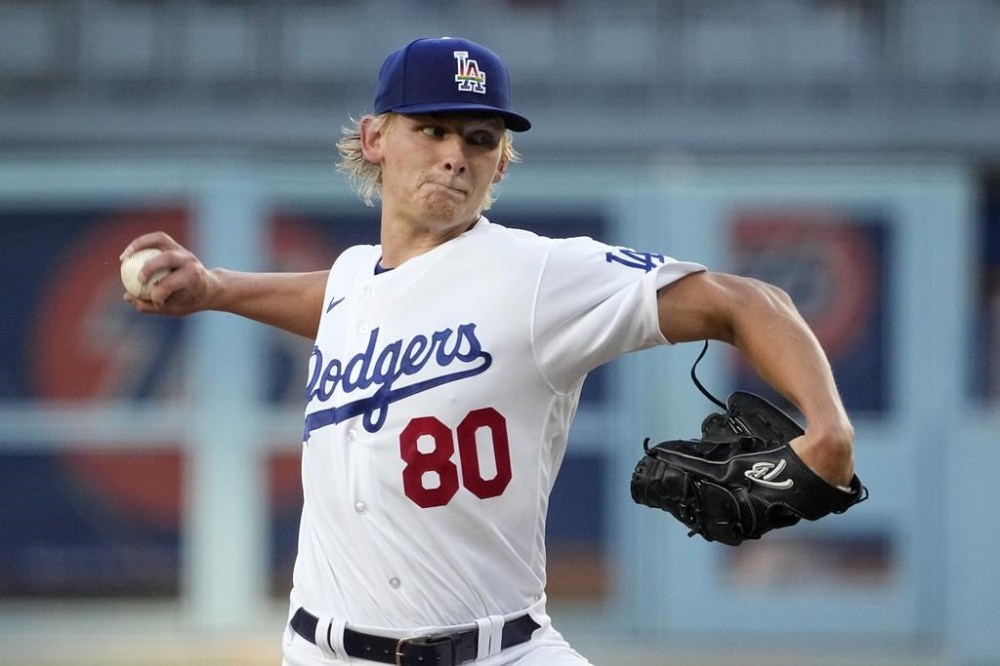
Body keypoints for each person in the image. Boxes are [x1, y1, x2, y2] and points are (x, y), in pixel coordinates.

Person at [121, 37, 855, 666]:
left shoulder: (539, 274)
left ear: (502, 163)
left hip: (499, 649)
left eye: (478, 139)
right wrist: (215, 287)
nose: (454, 156)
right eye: (432, 130)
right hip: (320, 648)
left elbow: (747, 301)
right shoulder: (355, 282)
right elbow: (348, 295)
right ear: (376, 138)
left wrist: (827, 430)